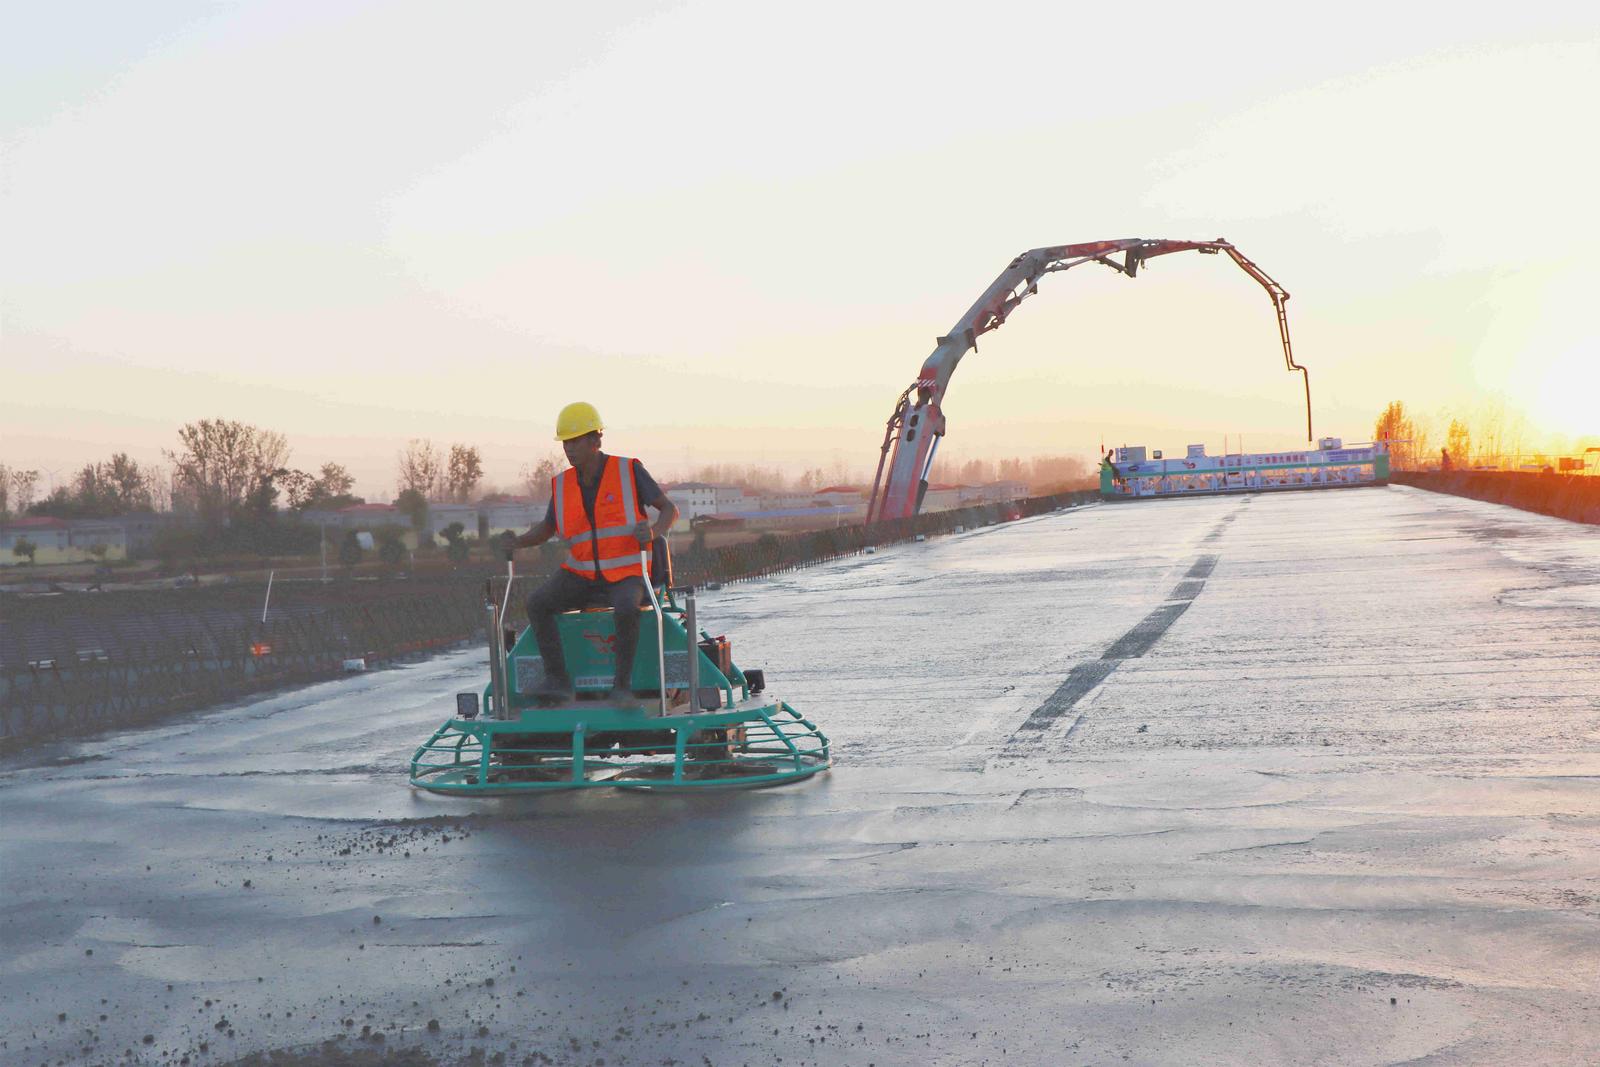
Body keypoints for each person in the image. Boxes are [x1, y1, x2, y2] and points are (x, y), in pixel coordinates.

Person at [513, 402, 680, 704]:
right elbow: (547, 528)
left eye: (576, 441)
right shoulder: (563, 485)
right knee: (537, 603)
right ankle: (559, 682)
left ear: (596, 440)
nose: (570, 449)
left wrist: (655, 532)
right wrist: (517, 542)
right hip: (581, 573)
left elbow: (669, 509)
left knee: (627, 608)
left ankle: (622, 686)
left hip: (627, 574)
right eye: (566, 442)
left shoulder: (628, 470)